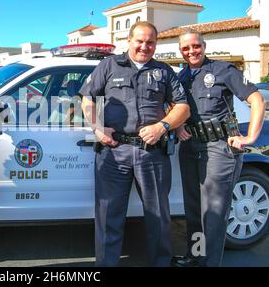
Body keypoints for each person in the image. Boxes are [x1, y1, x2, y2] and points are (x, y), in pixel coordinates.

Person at [79, 21, 190, 266]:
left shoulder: (164, 71)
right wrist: (97, 128)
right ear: (128, 40)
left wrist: (163, 126)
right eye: (139, 41)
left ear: (156, 44)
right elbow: (88, 98)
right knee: (109, 215)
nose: (144, 46)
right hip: (114, 151)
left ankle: (160, 263)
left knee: (158, 215)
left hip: (152, 153)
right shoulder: (108, 65)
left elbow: (183, 107)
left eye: (150, 42)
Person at [171, 29, 265, 267]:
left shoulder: (223, 70)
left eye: (196, 46)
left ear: (204, 46)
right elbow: (175, 107)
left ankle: (211, 263)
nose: (191, 51)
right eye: (186, 48)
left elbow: (256, 99)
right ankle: (195, 255)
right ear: (180, 51)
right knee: (193, 209)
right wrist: (178, 125)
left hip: (219, 148)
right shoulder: (181, 77)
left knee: (213, 212)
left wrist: (250, 136)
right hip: (190, 147)